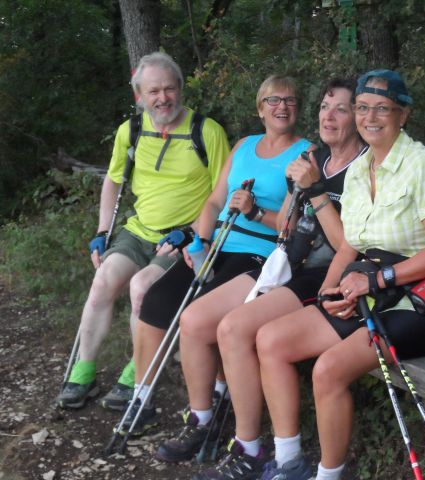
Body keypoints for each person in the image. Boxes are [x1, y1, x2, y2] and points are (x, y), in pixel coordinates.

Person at [256, 69, 425, 480]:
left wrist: (376, 280)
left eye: (382, 108)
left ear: (403, 114)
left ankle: (329, 475)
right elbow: (350, 245)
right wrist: (328, 291)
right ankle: (289, 462)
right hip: (372, 294)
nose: (370, 117)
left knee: (328, 369)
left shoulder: (424, 164)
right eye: (363, 108)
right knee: (271, 340)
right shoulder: (359, 169)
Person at [174, 78, 367, 480]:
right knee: (214, 324)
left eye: (342, 109)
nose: (329, 116)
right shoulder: (314, 159)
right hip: (289, 265)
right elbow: (286, 225)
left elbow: (348, 246)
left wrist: (314, 191)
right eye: (325, 107)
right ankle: (249, 448)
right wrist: (265, 212)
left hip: (331, 277)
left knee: (237, 330)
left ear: (358, 117)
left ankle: (269, 454)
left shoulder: (364, 169)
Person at [123, 75, 312, 436]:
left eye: (290, 100)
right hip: (218, 243)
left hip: (259, 252)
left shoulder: (305, 154)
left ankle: (208, 407)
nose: (282, 107)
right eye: (273, 100)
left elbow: (290, 224)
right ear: (260, 109)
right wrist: (202, 241)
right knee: (156, 299)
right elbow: (213, 202)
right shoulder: (244, 145)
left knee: (197, 316)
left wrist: (255, 211)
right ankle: (140, 398)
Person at [56, 52, 231, 410]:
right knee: (103, 281)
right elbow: (113, 181)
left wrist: (192, 233)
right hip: (138, 230)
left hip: (182, 237)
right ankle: (83, 372)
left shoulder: (207, 131)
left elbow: (222, 195)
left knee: (141, 288)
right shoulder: (131, 131)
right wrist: (102, 230)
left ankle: (136, 374)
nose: (163, 98)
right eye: (153, 91)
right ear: (139, 96)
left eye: (169, 88)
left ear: (180, 88)